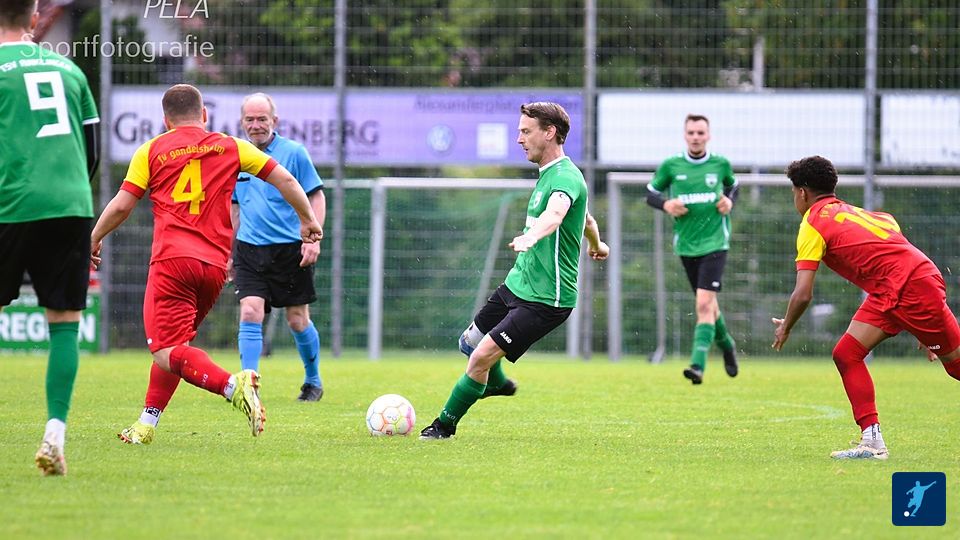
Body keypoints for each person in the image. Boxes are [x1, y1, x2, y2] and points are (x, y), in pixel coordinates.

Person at [91, 84, 323, 445]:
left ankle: (233, 386)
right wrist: (307, 220)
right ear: (203, 115)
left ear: (166, 120)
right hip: (213, 268)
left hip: (172, 262)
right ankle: (146, 423)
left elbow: (123, 205)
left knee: (165, 350)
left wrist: (94, 237)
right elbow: (285, 179)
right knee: (176, 347)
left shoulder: (151, 150)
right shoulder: (231, 146)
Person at [419, 102, 609, 440]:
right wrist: (597, 244)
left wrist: (532, 236)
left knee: (480, 358)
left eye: (525, 131)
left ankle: (442, 427)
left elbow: (555, 215)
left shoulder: (565, 177)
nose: (519, 139)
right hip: (518, 285)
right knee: (469, 343)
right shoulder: (549, 175)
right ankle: (498, 384)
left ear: (549, 132)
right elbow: (587, 219)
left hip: (546, 299)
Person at [773, 155, 960, 460]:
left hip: (909, 291)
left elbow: (803, 294)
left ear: (803, 193)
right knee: (846, 354)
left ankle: (872, 441)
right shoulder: (864, 214)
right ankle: (872, 441)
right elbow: (897, 246)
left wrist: (786, 326)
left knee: (956, 366)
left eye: (794, 192)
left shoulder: (813, 223)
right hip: (897, 289)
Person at [0, 0, 100, 476]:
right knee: (64, 322)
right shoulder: (70, 70)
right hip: (70, 204)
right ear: (34, 17)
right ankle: (55, 432)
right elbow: (92, 150)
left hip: (10, 203)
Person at [230, 93, 327, 402]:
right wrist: (228, 250)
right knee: (250, 311)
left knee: (297, 319)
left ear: (275, 121)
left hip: (290, 250)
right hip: (249, 249)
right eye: (250, 119)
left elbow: (316, 196)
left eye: (262, 119)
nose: (256, 125)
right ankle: (248, 387)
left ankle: (313, 381)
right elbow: (234, 208)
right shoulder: (236, 156)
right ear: (242, 122)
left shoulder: (294, 153)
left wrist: (313, 239)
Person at [646, 114, 739, 385]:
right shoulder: (671, 166)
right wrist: (666, 204)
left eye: (700, 132)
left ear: (708, 135)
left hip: (716, 243)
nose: (696, 137)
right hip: (687, 246)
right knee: (709, 305)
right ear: (685, 135)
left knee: (703, 304)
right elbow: (650, 194)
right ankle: (728, 345)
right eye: (691, 133)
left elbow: (733, 187)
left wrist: (729, 201)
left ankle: (697, 365)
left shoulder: (720, 164)